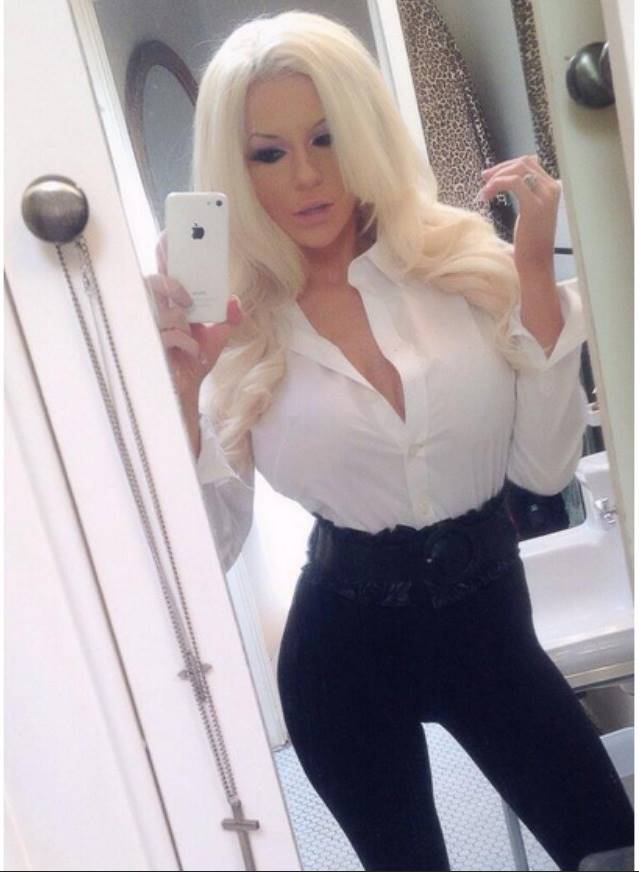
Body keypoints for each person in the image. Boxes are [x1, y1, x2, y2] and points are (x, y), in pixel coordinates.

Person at [146, 11, 634, 871]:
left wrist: (531, 271)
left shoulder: (458, 266)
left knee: (610, 846)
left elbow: (543, 467)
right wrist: (181, 396)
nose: (306, 175)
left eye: (327, 137)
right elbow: (210, 547)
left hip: (491, 633)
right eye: (267, 153)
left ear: (366, 129)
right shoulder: (236, 329)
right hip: (340, 659)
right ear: (235, 168)